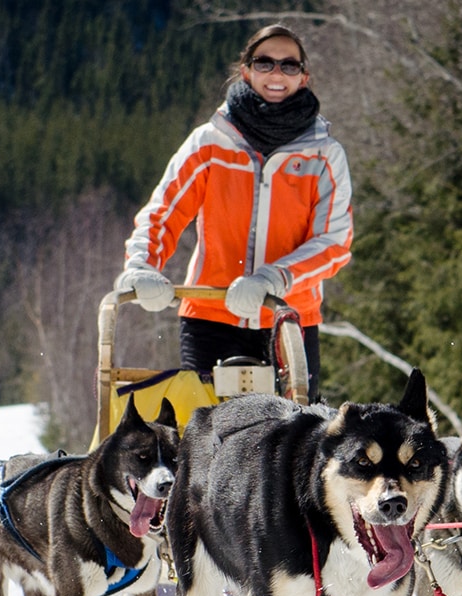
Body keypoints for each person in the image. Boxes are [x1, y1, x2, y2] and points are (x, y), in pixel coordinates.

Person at [114, 24, 353, 404]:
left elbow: (334, 243)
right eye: (265, 62)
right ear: (246, 71)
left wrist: (274, 278)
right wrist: (143, 265)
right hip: (210, 315)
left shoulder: (324, 154)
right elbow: (163, 212)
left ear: (304, 77)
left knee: (291, 446)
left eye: (289, 66)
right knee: (201, 437)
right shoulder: (209, 143)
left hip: (288, 321)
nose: (277, 74)